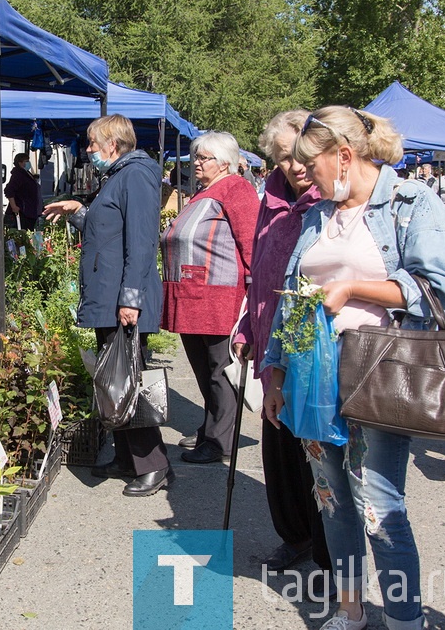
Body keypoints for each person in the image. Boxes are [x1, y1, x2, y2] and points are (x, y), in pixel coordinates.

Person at [262, 106, 445, 630]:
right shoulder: (316, 214)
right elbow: (291, 299)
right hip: (311, 375)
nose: (305, 175)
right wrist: (275, 372)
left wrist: (354, 289)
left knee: (377, 504)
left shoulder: (411, 203)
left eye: (313, 164)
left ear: (345, 156)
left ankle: (403, 619)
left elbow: (436, 288)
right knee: (332, 502)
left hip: (378, 374)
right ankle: (352, 612)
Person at [43, 114, 171, 497]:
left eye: (92, 144)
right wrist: (79, 213)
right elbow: (109, 231)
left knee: (129, 380)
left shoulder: (136, 175)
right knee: (115, 381)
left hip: (122, 299)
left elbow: (142, 241)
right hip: (111, 296)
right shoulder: (119, 175)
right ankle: (128, 458)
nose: (88, 150)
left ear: (113, 144)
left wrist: (131, 298)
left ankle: (155, 465)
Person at [231, 111, 332, 592]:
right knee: (280, 451)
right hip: (272, 343)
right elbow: (258, 273)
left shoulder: (329, 200)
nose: (292, 166)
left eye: (298, 155)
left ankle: (332, 545)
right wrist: (250, 327)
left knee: (318, 450)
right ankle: (295, 536)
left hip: (316, 348)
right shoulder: (268, 199)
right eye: (282, 157)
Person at [160, 131, 260, 464]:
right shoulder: (205, 192)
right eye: (196, 157)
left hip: (218, 297)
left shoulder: (236, 188)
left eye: (204, 158)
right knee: (205, 369)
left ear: (225, 162)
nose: (197, 163)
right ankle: (212, 428)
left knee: (220, 369)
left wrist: (255, 296)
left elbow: (252, 244)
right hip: (193, 296)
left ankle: (220, 442)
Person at [3, 152, 42, 230]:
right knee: (22, 232)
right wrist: (14, 206)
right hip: (22, 212)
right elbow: (9, 190)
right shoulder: (18, 174)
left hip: (29, 211)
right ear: (20, 163)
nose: (28, 163)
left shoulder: (26, 173)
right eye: (26, 161)